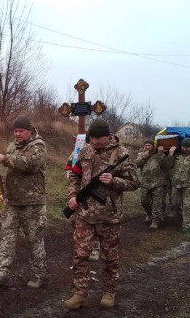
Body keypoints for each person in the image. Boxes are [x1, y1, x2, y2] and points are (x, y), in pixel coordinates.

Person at [64, 119, 138, 309]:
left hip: (109, 216)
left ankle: (109, 291)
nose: (95, 141)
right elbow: (75, 174)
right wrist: (73, 195)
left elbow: (134, 182)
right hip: (85, 214)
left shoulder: (121, 154)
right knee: (80, 255)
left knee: (109, 257)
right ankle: (79, 293)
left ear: (108, 135)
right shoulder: (86, 151)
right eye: (93, 137)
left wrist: (114, 180)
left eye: (98, 138)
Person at [0, 116, 47, 289]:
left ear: (29, 130)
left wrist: (3, 159)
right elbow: (11, 172)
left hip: (32, 202)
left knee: (34, 239)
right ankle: (2, 273)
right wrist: (5, 192)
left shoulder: (38, 146)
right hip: (13, 202)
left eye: (20, 131)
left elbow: (29, 164)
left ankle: (38, 274)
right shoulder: (13, 145)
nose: (17, 134)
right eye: (15, 131)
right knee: (6, 237)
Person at [135, 138, 167, 229]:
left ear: (153, 146)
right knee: (144, 201)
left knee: (157, 203)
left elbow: (165, 165)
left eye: (149, 145)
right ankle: (149, 214)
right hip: (145, 182)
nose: (147, 147)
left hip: (158, 183)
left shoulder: (159, 154)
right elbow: (136, 164)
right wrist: (143, 157)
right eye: (145, 145)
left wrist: (161, 155)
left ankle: (155, 221)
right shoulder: (141, 154)